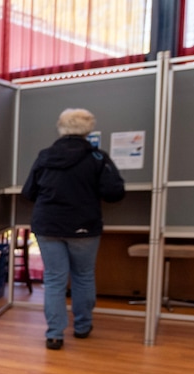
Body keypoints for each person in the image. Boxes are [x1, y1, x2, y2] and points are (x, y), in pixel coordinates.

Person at [22, 108, 125, 350]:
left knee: (54, 279)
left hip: (47, 225)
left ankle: (55, 335)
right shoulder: (97, 157)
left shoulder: (45, 156)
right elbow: (114, 193)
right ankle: (82, 327)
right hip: (84, 226)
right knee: (83, 276)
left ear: (61, 127)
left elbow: (28, 193)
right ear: (88, 129)